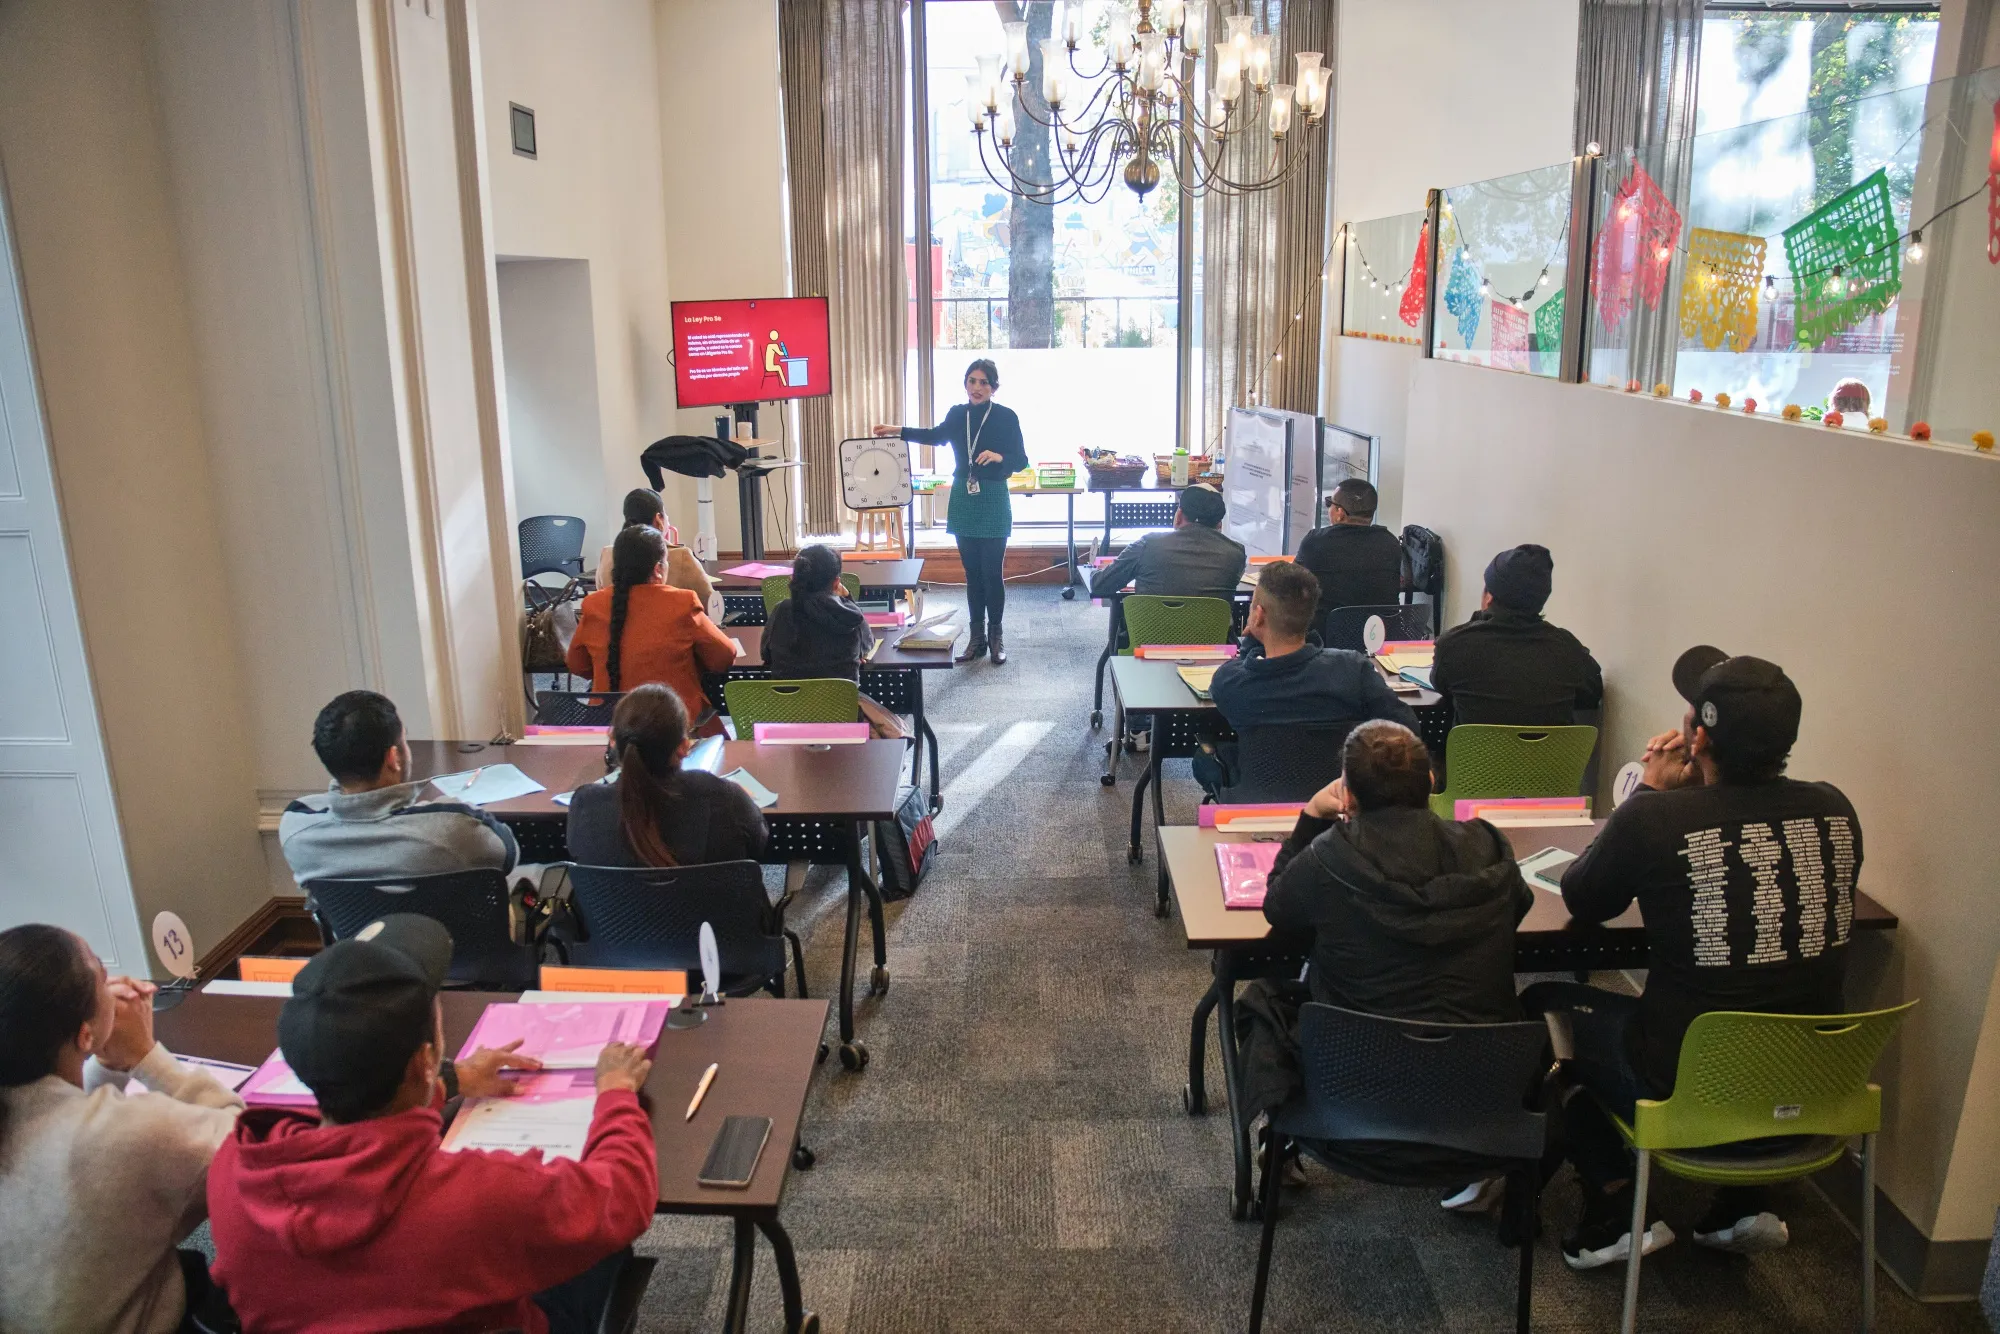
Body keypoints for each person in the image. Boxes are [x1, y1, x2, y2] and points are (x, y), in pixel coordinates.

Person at [1533, 646, 1860, 1270]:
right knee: (1766, 1000)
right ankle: (1743, 1204)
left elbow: (1585, 897)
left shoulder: (1656, 820)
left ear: (1698, 734)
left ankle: (1615, 1202)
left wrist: (1649, 796)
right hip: (1815, 1092)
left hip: (1685, 1089)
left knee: (1542, 1009)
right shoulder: (1835, 808)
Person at [207, 915, 657, 1334]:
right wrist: (616, 1092)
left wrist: (451, 1078)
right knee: (601, 1249)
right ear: (424, 1060)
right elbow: (625, 1194)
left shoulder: (232, 1171)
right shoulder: (481, 1195)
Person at [1232, 721, 1537, 1182]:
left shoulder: (1327, 858)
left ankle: (1281, 1143)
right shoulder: (1489, 847)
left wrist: (1312, 815)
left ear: (1348, 798)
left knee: (1262, 1000)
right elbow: (1519, 906)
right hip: (1476, 1098)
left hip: (1348, 1097)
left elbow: (1278, 906)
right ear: (1431, 781)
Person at [0, 925, 245, 1334]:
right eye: (99, 969)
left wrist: (101, 1059)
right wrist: (146, 1056)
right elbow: (246, 1149)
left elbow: (69, 1115)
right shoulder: (133, 1134)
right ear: (84, 1032)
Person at [1196, 561, 1417, 795]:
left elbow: (1239, 677)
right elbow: (1406, 727)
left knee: (1203, 759)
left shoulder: (1230, 681)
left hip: (1258, 809)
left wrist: (1251, 643)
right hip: (1337, 802)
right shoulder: (1352, 667)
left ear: (1258, 615)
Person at [874, 358, 1029, 665]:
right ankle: (976, 638)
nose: (977, 387)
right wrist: (896, 430)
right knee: (972, 573)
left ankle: (996, 637)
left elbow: (1021, 459)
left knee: (991, 573)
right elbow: (934, 436)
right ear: (966, 384)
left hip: (994, 497)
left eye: (984, 382)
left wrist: (999, 456)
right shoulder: (958, 415)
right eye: (972, 381)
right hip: (964, 496)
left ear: (994, 388)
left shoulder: (1006, 417)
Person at [280, 689, 518, 885]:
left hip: (362, 941)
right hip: (443, 941)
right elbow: (508, 854)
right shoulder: (453, 826)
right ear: (393, 758)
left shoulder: (296, 827)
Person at [566, 684, 768, 866]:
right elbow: (759, 845)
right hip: (713, 907)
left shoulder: (586, 805)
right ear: (684, 746)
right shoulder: (724, 797)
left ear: (612, 741)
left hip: (612, 908)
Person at [567, 524, 738, 731]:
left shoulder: (593, 604)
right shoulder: (682, 602)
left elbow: (577, 665)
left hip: (611, 725)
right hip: (676, 726)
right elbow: (724, 657)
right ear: (658, 569)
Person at [1431, 544, 1603, 726]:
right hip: (1550, 755)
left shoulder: (1454, 644)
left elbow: (1441, 684)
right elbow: (1591, 694)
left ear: (1489, 596)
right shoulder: (1568, 648)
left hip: (1477, 754)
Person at [1087, 482, 1247, 603]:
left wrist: (1093, 570)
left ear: (1178, 516)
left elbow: (1100, 586)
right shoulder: (1235, 554)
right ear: (1219, 525)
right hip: (1215, 646)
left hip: (1150, 644)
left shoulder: (1147, 544)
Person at [1293, 478, 1404, 624]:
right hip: (1380, 637)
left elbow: (1291, 581)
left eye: (1329, 503)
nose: (1328, 508)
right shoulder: (1390, 543)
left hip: (1325, 638)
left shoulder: (1316, 541)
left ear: (1340, 512)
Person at [595, 487, 717, 616]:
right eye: (666, 514)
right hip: (673, 633)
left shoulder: (607, 554)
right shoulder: (681, 557)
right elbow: (711, 605)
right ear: (659, 519)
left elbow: (603, 599)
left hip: (618, 634)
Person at [762, 543, 870, 682]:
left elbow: (765, 653)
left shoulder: (781, 611)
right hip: (839, 703)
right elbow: (867, 645)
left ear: (794, 579)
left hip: (788, 703)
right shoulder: (850, 617)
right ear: (836, 583)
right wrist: (848, 598)